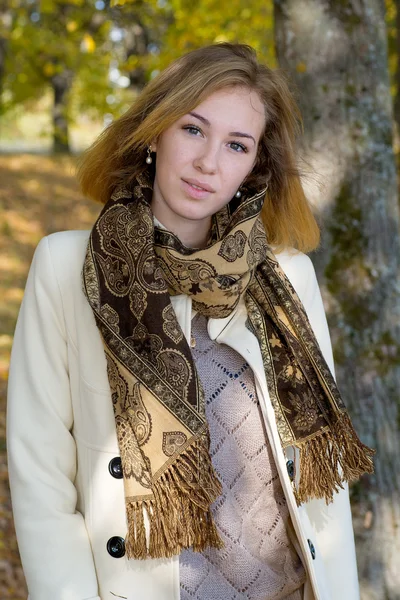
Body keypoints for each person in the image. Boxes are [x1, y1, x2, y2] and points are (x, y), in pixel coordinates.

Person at [7, 43, 373, 600]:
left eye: (236, 145)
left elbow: (325, 493)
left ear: (255, 164)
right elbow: (40, 476)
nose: (209, 163)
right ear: (155, 133)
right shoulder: (65, 268)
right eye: (193, 130)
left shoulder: (288, 279)